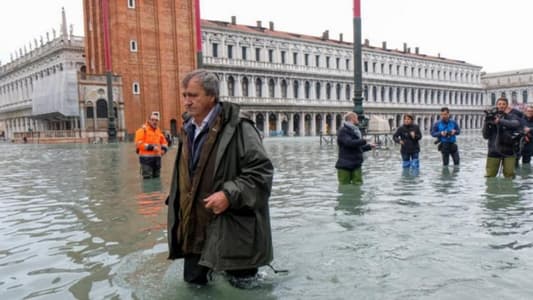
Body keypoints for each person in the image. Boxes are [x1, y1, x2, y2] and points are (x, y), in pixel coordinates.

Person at [166, 69, 274, 288]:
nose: (186, 102)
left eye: (193, 95)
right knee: (194, 286)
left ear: (212, 96)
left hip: (233, 229)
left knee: (241, 289)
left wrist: (228, 194)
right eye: (184, 95)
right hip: (193, 226)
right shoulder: (187, 129)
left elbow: (261, 173)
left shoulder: (240, 128)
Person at [482, 97, 521, 178]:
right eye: (499, 104)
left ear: (507, 106)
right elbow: (485, 136)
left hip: (509, 150)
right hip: (493, 151)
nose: (501, 106)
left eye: (503, 104)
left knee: (510, 176)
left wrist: (499, 121)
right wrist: (487, 122)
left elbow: (516, 124)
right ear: (497, 105)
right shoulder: (491, 118)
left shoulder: (512, 116)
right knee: (490, 176)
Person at [335, 112, 375, 185]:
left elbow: (357, 147)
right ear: (352, 118)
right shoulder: (343, 131)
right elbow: (349, 143)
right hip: (345, 164)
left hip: (356, 163)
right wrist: (364, 140)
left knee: (358, 184)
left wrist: (369, 146)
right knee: (344, 186)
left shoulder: (355, 131)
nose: (358, 120)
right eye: (356, 118)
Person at [134, 112, 168, 179]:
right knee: (147, 179)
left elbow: (164, 142)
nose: (155, 122)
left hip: (157, 160)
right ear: (148, 120)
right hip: (146, 160)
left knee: (157, 178)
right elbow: (139, 143)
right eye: (153, 120)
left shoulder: (158, 131)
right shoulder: (142, 130)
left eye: (156, 120)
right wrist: (151, 147)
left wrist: (164, 149)